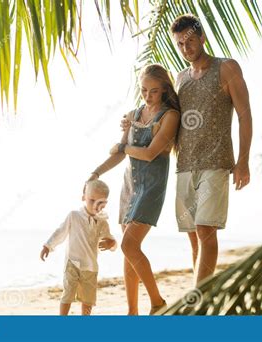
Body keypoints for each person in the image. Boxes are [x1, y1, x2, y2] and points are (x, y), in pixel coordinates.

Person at [121, 14, 253, 286]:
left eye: (190, 41)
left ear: (202, 37)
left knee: (206, 230)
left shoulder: (227, 68)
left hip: (216, 162)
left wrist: (243, 161)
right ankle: (201, 295)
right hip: (184, 165)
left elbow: (245, 114)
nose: (185, 48)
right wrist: (130, 121)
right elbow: (158, 113)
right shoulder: (179, 79)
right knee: (194, 235)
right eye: (180, 44)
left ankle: (198, 306)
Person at [88, 64, 181, 315]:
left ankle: (158, 303)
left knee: (129, 245)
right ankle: (132, 312)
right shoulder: (133, 114)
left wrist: (123, 149)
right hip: (129, 188)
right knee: (129, 251)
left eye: (153, 91)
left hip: (151, 189)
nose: (147, 96)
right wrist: (96, 173)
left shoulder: (169, 116)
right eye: (143, 90)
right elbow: (118, 154)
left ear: (163, 90)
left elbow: (150, 154)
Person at [39, 180, 117, 315]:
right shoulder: (74, 216)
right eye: (91, 200)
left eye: (99, 202)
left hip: (91, 266)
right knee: (68, 293)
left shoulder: (102, 222)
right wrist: (48, 245)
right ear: (83, 197)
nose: (94, 205)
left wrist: (110, 243)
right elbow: (60, 232)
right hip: (72, 263)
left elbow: (111, 240)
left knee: (88, 299)